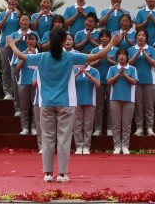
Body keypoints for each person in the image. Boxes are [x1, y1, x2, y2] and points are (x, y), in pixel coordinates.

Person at [7, 27, 120, 183]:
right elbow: (98, 55)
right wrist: (112, 43)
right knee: (64, 139)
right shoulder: (70, 57)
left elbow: (21, 56)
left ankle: (47, 173)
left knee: (47, 139)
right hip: (66, 103)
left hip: (46, 103)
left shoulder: (40, 57)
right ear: (62, 41)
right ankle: (62, 174)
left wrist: (12, 44)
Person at [107, 47, 137, 154]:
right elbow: (109, 81)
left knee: (126, 124)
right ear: (116, 57)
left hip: (129, 99)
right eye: (119, 54)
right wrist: (118, 74)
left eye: (124, 54)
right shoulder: (112, 69)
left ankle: (125, 146)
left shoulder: (132, 69)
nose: (121, 56)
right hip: (115, 98)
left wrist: (124, 75)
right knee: (115, 124)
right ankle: (116, 146)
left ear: (127, 57)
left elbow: (134, 82)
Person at [128, 29, 155, 136]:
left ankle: (149, 128)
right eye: (139, 35)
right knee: (138, 105)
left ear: (146, 38)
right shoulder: (131, 49)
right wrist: (136, 54)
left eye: (143, 36)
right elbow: (129, 64)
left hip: (150, 81)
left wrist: (146, 55)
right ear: (136, 37)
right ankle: (139, 127)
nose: (141, 37)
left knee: (149, 106)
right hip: (136, 81)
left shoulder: (151, 49)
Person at [0, 0, 21, 100]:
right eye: (10, 0)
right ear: (7, 1)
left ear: (18, 2)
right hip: (4, 44)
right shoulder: (2, 14)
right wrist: (5, 17)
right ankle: (8, 92)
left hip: (19, 44)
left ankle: (18, 91)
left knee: (18, 67)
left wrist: (19, 15)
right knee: (6, 68)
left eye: (15, 0)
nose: (12, 1)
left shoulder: (21, 14)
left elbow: (25, 25)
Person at [90, 29, 116, 135]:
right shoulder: (95, 50)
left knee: (111, 106)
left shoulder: (115, 50)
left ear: (110, 38)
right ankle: (98, 129)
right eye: (102, 36)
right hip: (98, 81)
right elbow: (89, 65)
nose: (104, 38)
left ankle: (110, 128)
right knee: (99, 106)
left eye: (106, 36)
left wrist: (108, 60)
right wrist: (99, 59)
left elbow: (120, 64)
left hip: (111, 81)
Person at [13, 33, 39, 135]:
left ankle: (34, 128)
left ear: (36, 41)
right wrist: (26, 56)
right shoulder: (21, 53)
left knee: (35, 107)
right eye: (28, 39)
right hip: (23, 82)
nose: (30, 41)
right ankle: (25, 128)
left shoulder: (40, 54)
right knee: (24, 107)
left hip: (36, 83)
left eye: (32, 39)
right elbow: (17, 68)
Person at [73, 62, 100, 155]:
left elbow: (98, 83)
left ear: (88, 61)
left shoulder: (94, 71)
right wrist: (78, 73)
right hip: (76, 101)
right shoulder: (74, 70)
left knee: (88, 126)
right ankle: (79, 146)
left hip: (90, 101)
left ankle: (86, 146)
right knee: (77, 125)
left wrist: (87, 74)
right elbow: (68, 83)